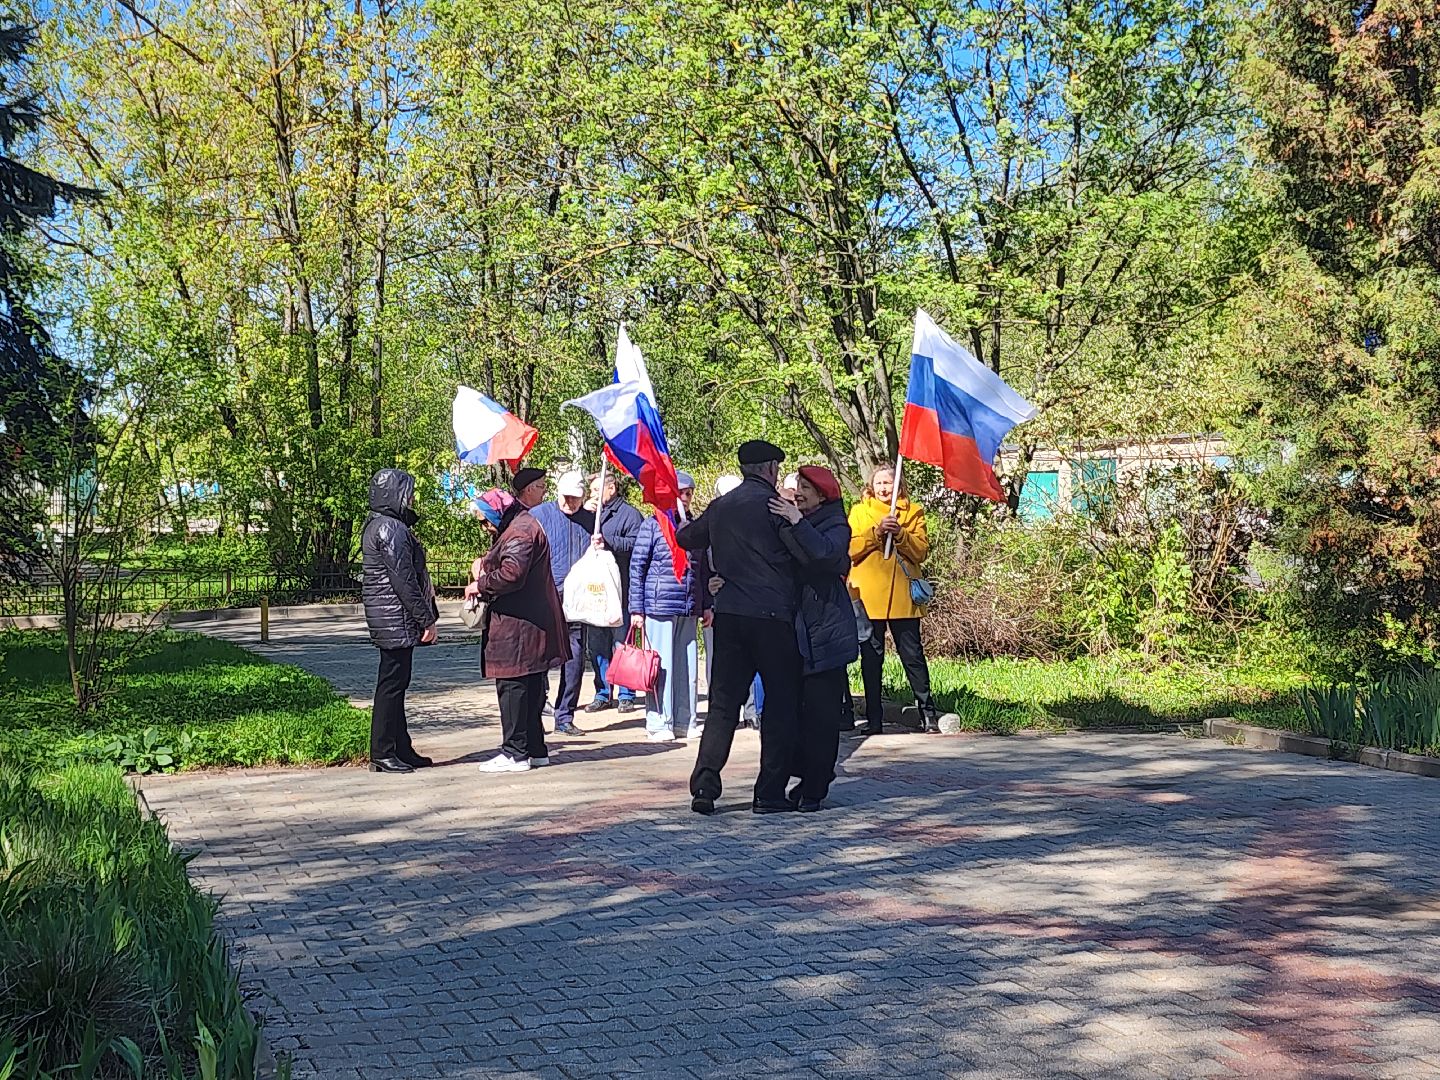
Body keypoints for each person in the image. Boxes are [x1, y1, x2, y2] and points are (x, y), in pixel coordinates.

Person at [677, 440, 802, 815]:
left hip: (730, 616)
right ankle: (768, 793)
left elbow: (686, 538)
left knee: (722, 706)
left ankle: (705, 787)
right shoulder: (777, 507)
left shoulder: (721, 506)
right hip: (772, 617)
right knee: (780, 705)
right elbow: (804, 553)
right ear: (770, 470)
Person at [769, 466, 857, 810]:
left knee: (821, 716)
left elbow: (824, 556)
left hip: (826, 632)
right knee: (791, 715)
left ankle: (815, 788)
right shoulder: (791, 519)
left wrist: (795, 521)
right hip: (793, 630)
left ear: (823, 494)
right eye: (797, 486)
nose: (799, 492)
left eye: (806, 487)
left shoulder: (836, 523)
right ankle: (811, 772)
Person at [469, 486, 570, 772]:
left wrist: (481, 582)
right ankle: (535, 748)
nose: (485, 527)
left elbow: (511, 574)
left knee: (513, 688)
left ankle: (515, 752)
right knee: (530, 687)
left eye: (485, 520)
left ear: (496, 513)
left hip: (519, 627)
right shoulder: (520, 525)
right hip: (531, 624)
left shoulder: (519, 531)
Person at [361, 468, 440, 774]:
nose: (411, 498)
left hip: (390, 617)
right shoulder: (390, 529)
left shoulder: (381, 525)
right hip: (395, 618)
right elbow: (404, 581)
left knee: (396, 683)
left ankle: (400, 747)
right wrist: (426, 619)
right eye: (408, 492)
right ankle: (382, 751)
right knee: (391, 685)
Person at [849, 464, 938, 735]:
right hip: (868, 596)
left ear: (898, 485)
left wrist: (900, 534)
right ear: (871, 487)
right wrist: (875, 534)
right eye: (879, 484)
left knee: (912, 655)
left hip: (902, 597)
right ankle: (874, 720)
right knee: (871, 659)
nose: (884, 488)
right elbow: (849, 549)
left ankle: (928, 714)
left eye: (889, 483)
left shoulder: (913, 512)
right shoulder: (859, 512)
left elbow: (921, 551)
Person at [629, 472, 712, 741]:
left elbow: (702, 572)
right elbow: (637, 568)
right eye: (682, 492)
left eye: (689, 493)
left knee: (687, 669)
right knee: (660, 667)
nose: (686, 498)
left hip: (688, 607)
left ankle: (685, 720)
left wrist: (706, 605)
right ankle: (658, 721)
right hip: (658, 606)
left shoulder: (694, 527)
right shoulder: (652, 525)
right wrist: (636, 610)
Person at [528, 469, 594, 736]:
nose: (571, 503)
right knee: (540, 659)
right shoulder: (539, 516)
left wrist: (600, 545)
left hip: (578, 600)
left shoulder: (591, 520)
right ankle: (536, 712)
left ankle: (565, 715)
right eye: (567, 497)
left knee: (575, 659)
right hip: (546, 597)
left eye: (576, 498)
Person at [701, 474, 761, 729]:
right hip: (720, 602)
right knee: (719, 661)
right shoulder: (712, 524)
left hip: (751, 602)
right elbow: (701, 565)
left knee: (752, 657)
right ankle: (725, 713)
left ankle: (751, 711)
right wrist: (708, 587)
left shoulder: (758, 523)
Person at [584, 472, 644, 715]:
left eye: (596, 490)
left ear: (611, 489)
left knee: (623, 643)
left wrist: (607, 540)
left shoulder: (630, 515)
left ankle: (627, 693)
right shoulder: (590, 515)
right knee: (597, 644)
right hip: (597, 592)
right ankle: (602, 692)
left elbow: (636, 545)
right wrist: (585, 516)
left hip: (621, 589)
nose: (592, 496)